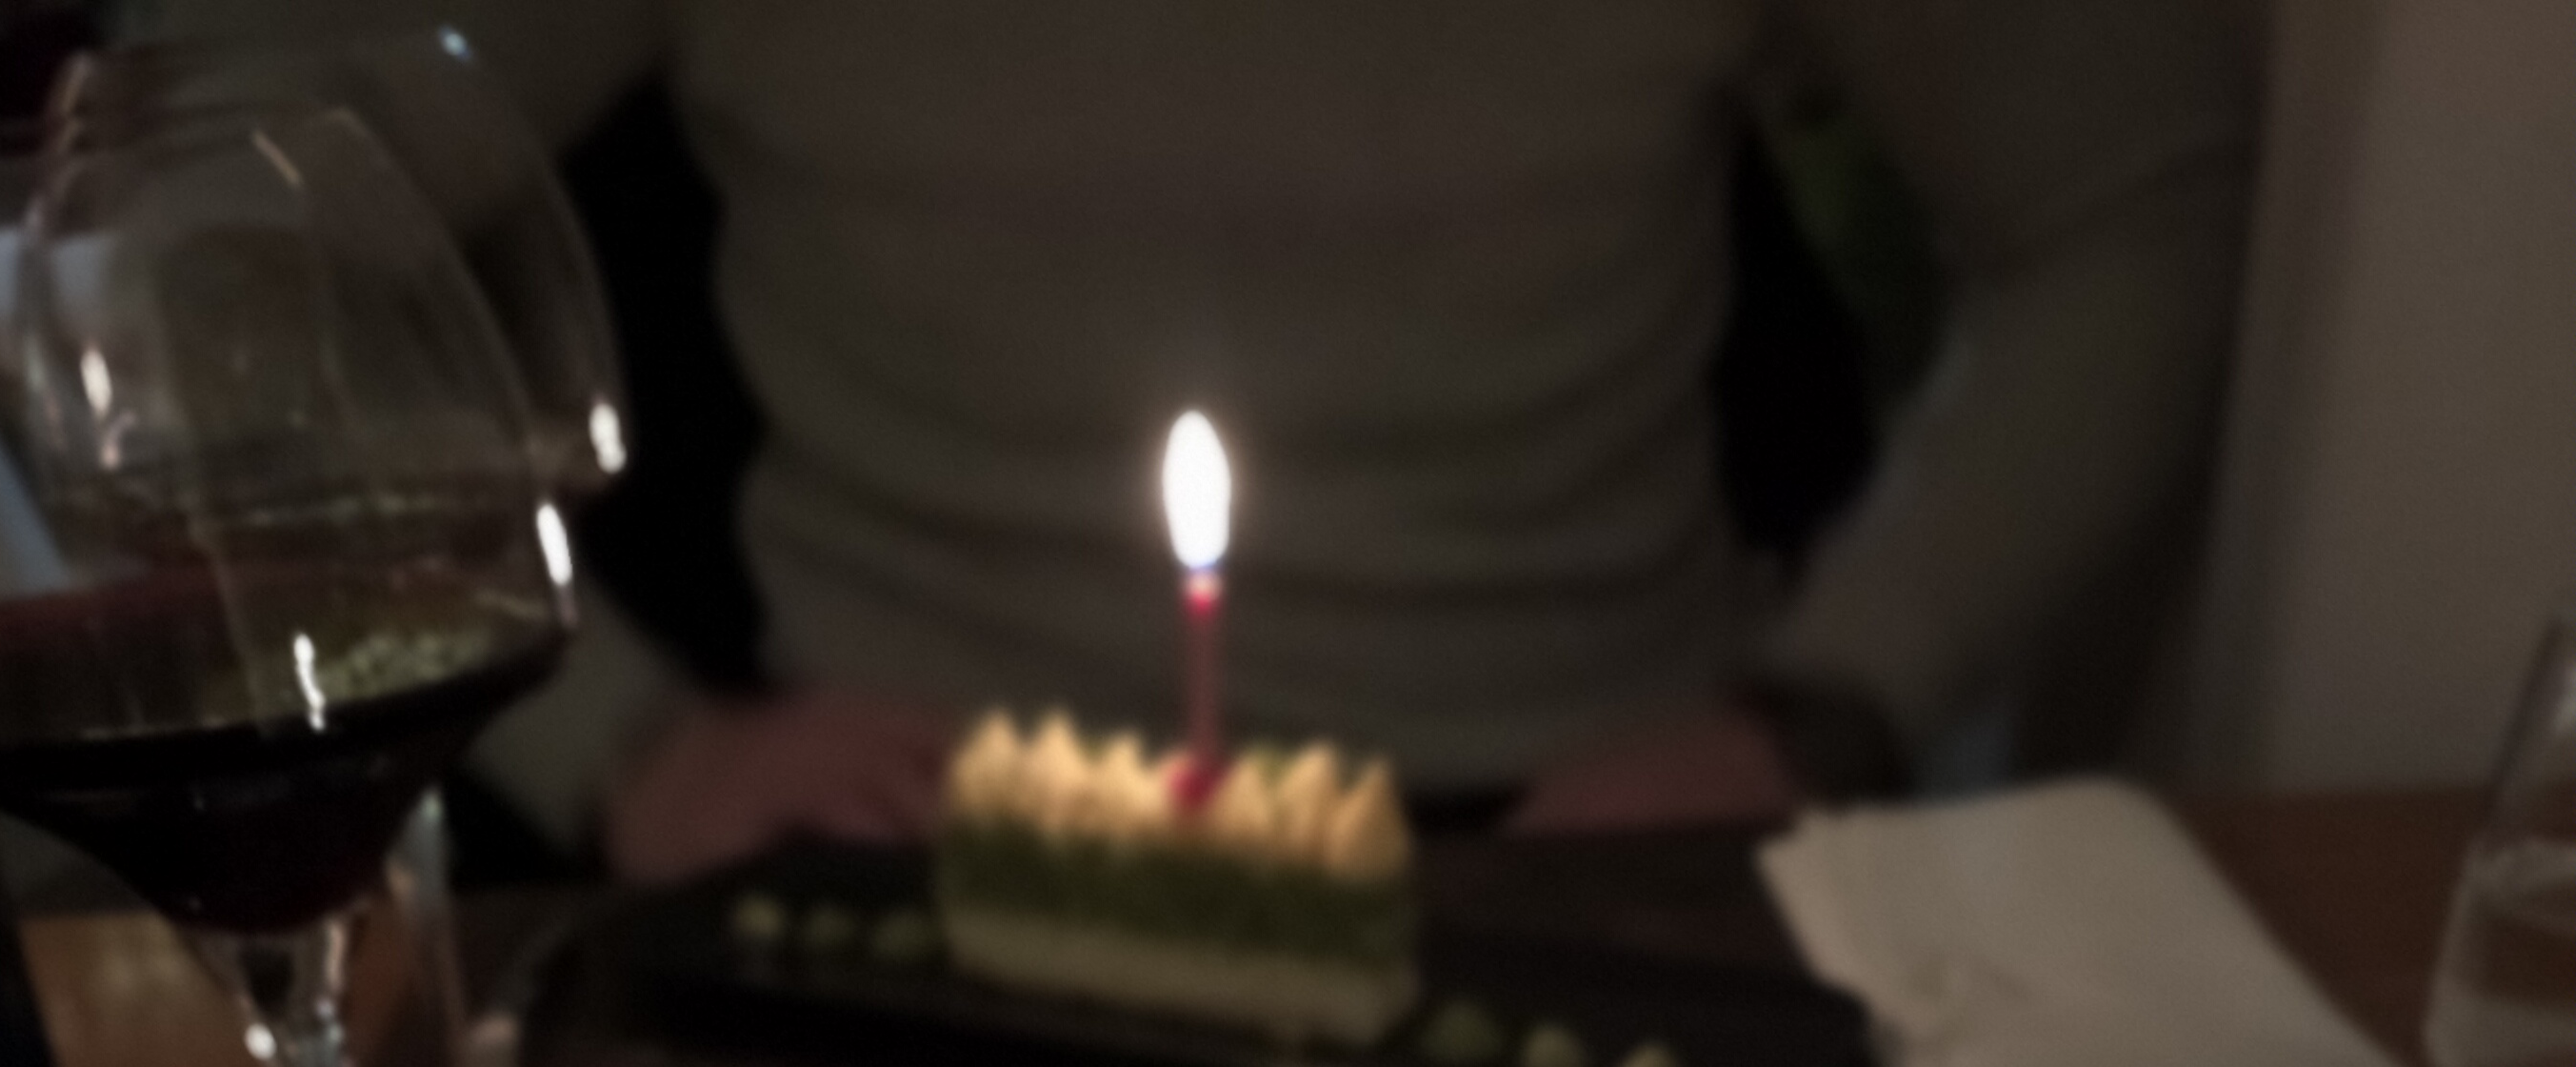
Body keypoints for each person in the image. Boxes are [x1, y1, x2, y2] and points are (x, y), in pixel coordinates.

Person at [163, 0, 2258, 876]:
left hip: (1581, 849)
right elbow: (173, 223)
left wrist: (1834, 700)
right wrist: (615, 738)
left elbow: (2139, 201)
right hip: (904, 853)